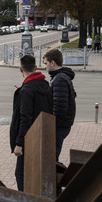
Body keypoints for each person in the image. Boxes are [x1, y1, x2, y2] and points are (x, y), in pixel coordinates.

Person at [10, 54, 52, 191]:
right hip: (43, 134)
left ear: (20, 69)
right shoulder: (45, 85)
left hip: (29, 139)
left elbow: (25, 118)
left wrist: (19, 144)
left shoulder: (27, 90)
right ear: (35, 67)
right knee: (38, 173)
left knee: (20, 174)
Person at [42, 48, 76, 161]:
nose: (45, 66)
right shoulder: (61, 77)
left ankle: (53, 178)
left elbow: (60, 107)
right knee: (52, 158)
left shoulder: (59, 79)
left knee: (51, 160)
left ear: (53, 62)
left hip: (59, 126)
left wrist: (51, 126)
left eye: (46, 63)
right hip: (62, 125)